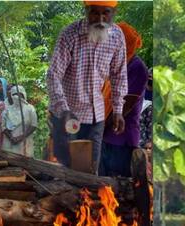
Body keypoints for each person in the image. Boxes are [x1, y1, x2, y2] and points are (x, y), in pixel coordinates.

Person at [46, 0, 127, 174]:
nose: (100, 18)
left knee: (90, 171)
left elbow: (119, 75)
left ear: (114, 12)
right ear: (86, 11)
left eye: (105, 12)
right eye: (94, 13)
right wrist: (63, 110)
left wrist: (118, 109)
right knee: (65, 171)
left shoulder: (117, 36)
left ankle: (90, 200)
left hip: (96, 116)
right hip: (68, 115)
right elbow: (53, 75)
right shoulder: (70, 34)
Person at [100, 22, 148, 177]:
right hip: (104, 139)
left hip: (121, 142)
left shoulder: (136, 67)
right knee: (98, 190)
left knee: (118, 191)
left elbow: (123, 107)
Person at [0, 85, 37, 157]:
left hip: (25, 145)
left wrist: (21, 137)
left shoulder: (30, 109)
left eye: (19, 94)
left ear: (23, 95)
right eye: (14, 94)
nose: (16, 97)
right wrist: (11, 138)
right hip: (9, 145)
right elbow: (3, 127)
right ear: (11, 96)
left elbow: (34, 125)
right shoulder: (7, 110)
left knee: (24, 164)